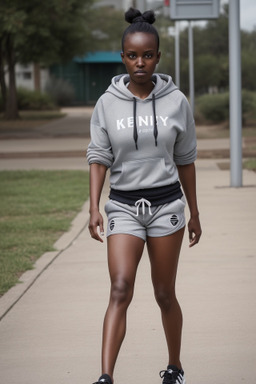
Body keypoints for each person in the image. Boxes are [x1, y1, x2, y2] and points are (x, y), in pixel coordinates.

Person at [87, 7, 202, 384]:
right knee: (120, 287)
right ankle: (106, 377)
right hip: (122, 206)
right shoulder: (106, 103)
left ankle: (175, 367)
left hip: (167, 206)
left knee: (164, 292)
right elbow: (98, 156)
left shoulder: (176, 102)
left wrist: (195, 213)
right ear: (123, 57)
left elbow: (185, 161)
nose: (140, 62)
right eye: (133, 55)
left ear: (157, 57)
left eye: (147, 55)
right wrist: (94, 208)